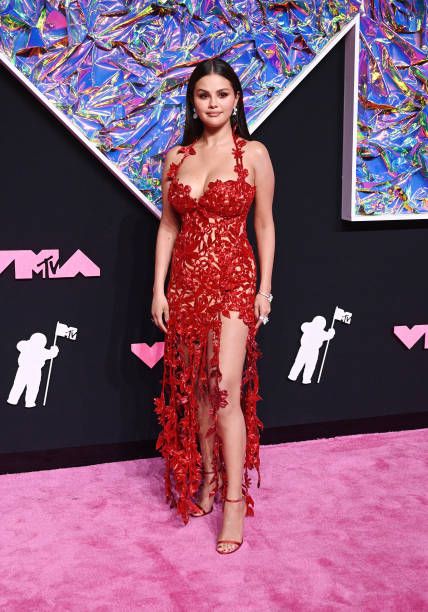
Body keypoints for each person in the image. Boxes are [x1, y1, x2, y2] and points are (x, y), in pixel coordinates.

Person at [151, 58, 275, 554]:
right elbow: (168, 226)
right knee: (199, 391)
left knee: (224, 388)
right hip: (185, 286)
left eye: (222, 94)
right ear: (193, 102)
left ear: (236, 100)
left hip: (233, 284)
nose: (213, 103)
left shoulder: (254, 154)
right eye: (204, 94)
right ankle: (207, 479)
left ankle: (234, 501)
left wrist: (264, 290)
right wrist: (158, 289)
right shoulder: (176, 157)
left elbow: (264, 224)